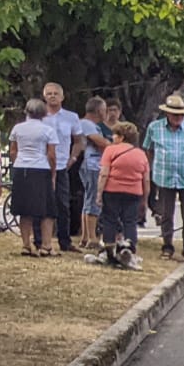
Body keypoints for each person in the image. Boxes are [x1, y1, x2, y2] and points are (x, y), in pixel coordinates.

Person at [144, 93, 184, 261]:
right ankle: (167, 247)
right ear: (167, 114)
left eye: (181, 114)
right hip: (165, 177)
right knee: (166, 214)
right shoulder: (154, 128)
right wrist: (155, 166)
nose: (178, 117)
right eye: (174, 114)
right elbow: (148, 149)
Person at [92, 122, 149, 269]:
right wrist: (145, 199)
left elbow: (104, 173)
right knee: (130, 222)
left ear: (122, 137)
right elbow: (146, 179)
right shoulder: (141, 154)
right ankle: (130, 251)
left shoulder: (110, 150)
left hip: (112, 190)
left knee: (109, 220)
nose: (112, 137)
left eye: (115, 135)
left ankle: (108, 251)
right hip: (134, 192)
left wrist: (99, 193)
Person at [8, 98, 59, 257]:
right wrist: (53, 173)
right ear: (44, 113)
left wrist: (18, 163)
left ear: (27, 111)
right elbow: (51, 155)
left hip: (21, 168)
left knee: (25, 210)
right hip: (41, 168)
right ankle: (46, 245)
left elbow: (13, 151)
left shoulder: (17, 128)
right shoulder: (48, 130)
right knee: (48, 210)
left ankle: (26, 245)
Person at [40, 82, 84, 254]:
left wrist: (73, 158)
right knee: (41, 203)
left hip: (61, 166)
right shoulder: (38, 116)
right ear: (44, 96)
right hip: (42, 165)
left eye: (55, 93)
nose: (52, 96)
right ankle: (40, 240)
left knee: (63, 204)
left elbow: (79, 141)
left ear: (62, 97)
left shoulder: (71, 117)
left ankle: (65, 241)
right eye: (49, 93)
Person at [75, 95, 111, 251]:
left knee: (88, 199)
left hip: (93, 165)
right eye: (104, 110)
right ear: (99, 111)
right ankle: (92, 237)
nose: (106, 113)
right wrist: (111, 145)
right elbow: (100, 142)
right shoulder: (87, 124)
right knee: (94, 200)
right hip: (92, 165)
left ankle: (85, 236)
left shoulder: (92, 125)